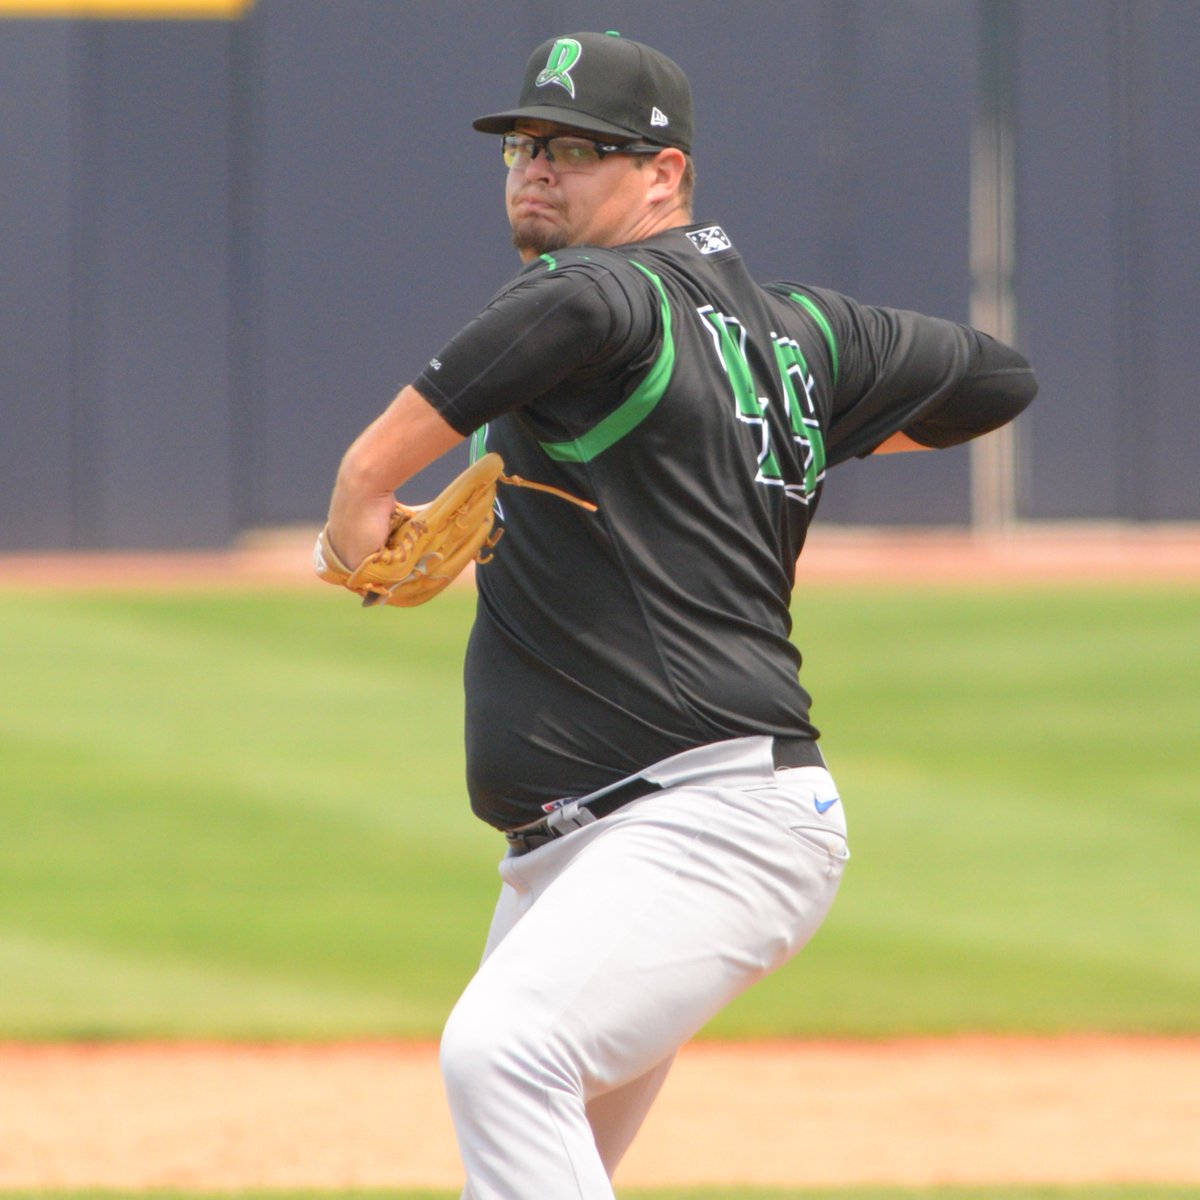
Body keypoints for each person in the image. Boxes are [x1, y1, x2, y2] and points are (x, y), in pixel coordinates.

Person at [321, 30, 1037, 1200]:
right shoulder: (798, 331)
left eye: (579, 149)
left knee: (503, 1058)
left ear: (665, 176)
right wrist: (806, 423)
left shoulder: (598, 293)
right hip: (605, 848)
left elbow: (564, 311)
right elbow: (995, 377)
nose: (537, 169)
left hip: (705, 819)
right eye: (524, 147)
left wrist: (360, 488)